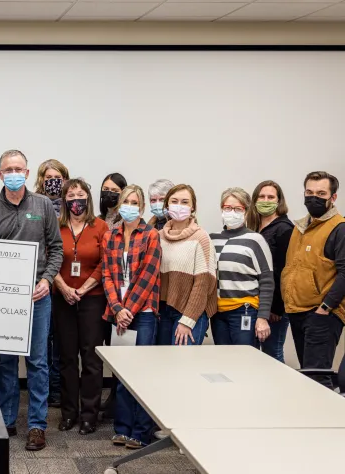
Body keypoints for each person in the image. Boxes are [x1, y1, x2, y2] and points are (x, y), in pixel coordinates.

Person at [0, 150, 63, 452]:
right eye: (7, 169)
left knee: (37, 361)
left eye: (18, 168)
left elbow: (56, 249)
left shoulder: (43, 206)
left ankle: (37, 426)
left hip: (38, 297)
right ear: (0, 174)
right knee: (7, 362)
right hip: (5, 300)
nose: (13, 173)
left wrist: (47, 280)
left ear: (26, 173)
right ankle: (7, 419)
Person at [102, 185, 161, 450]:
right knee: (123, 374)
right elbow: (106, 275)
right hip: (119, 313)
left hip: (143, 312)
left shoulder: (151, 235)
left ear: (142, 206)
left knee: (143, 373)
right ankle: (122, 429)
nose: (129, 205)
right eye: (126, 201)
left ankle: (141, 431)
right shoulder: (111, 234)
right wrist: (117, 309)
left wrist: (129, 310)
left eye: (135, 202)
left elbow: (149, 275)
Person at [52, 178, 108, 435]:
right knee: (66, 358)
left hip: (93, 298)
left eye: (81, 194)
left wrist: (83, 289)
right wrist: (64, 288)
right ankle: (69, 413)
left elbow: (105, 263)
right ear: (64, 200)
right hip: (62, 298)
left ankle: (89, 415)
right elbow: (48, 258)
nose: (76, 199)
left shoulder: (101, 227)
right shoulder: (56, 226)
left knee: (91, 359)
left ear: (88, 197)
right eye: (71, 194)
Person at [282, 171, 345, 388]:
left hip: (322, 315)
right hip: (298, 311)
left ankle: (330, 421)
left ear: (333, 197)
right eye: (309, 192)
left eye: (321, 193)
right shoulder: (300, 227)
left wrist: (325, 308)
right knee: (307, 378)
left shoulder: (340, 228)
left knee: (317, 378)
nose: (313, 197)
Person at [210, 187, 273, 348]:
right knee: (223, 360)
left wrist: (263, 317)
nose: (232, 212)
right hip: (218, 313)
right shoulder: (212, 239)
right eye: (228, 208)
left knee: (245, 362)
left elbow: (267, 280)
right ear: (222, 209)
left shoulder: (255, 240)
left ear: (246, 211)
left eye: (238, 209)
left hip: (244, 311)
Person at [157, 184, 217, 347]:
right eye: (174, 201)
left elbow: (203, 284)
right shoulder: (158, 237)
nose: (179, 206)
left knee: (182, 366)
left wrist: (187, 321)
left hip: (191, 314)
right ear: (167, 206)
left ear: (192, 207)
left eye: (185, 202)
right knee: (160, 365)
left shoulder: (201, 238)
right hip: (163, 312)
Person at [34, 159, 70, 408]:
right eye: (48, 177)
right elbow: (46, 249)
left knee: (62, 341)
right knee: (43, 342)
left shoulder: (73, 205)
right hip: (45, 283)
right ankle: (46, 389)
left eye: (57, 177)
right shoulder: (35, 205)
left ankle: (58, 389)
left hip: (70, 284)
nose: (53, 181)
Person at [247, 180, 293, 363]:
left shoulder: (284, 229)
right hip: (257, 303)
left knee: (271, 355)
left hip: (275, 308)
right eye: (262, 197)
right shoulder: (254, 228)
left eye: (271, 197)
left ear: (279, 201)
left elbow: (285, 271)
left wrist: (276, 308)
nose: (266, 200)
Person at [97, 172, 127, 418]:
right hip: (99, 295)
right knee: (104, 347)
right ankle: (108, 398)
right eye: (105, 189)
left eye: (114, 190)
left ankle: (119, 398)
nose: (109, 193)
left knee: (121, 349)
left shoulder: (129, 222)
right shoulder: (97, 220)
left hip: (121, 297)